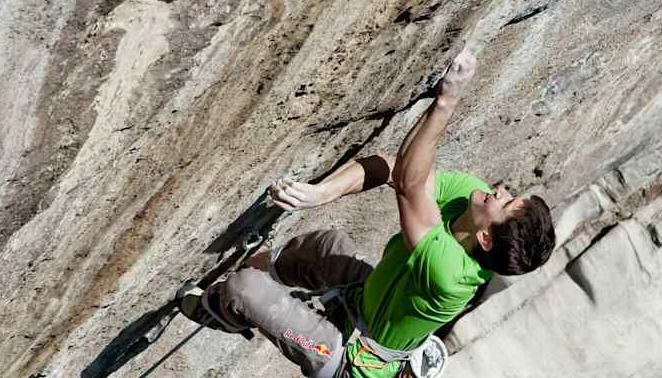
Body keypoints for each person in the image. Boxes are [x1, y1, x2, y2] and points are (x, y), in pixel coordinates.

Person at [179, 51, 557, 377]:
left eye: (505, 203)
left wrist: (446, 102)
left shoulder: (451, 277)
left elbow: (409, 184)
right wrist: (320, 193)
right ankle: (260, 276)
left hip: (349, 360)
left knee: (244, 287)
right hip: (361, 299)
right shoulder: (470, 198)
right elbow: (396, 169)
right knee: (328, 245)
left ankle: (221, 310)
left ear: (486, 238)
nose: (501, 191)